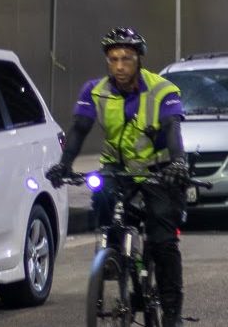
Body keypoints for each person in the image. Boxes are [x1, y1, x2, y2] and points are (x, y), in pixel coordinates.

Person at [45, 27, 190, 327]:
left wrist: (178, 163)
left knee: (163, 242)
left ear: (139, 60)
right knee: (102, 197)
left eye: (126, 59)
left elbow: (172, 129)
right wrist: (64, 164)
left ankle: (172, 314)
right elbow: (79, 129)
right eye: (113, 59)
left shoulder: (162, 90)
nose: (119, 66)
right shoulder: (94, 91)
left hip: (159, 171)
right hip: (118, 169)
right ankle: (112, 256)